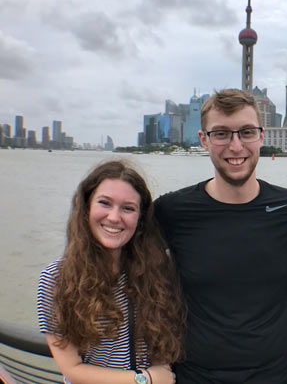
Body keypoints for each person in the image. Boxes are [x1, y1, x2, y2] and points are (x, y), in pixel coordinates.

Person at [153, 89, 287, 384]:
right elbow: (137, 275)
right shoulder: (171, 210)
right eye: (221, 134)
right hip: (194, 375)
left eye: (246, 132)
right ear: (203, 139)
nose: (235, 145)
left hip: (277, 375)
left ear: (261, 136)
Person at [37, 160, 185, 384]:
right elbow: (72, 369)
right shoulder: (57, 279)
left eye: (128, 208)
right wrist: (144, 380)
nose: (114, 217)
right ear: (86, 207)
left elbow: (163, 346)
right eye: (105, 203)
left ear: (140, 219)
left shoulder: (156, 271)